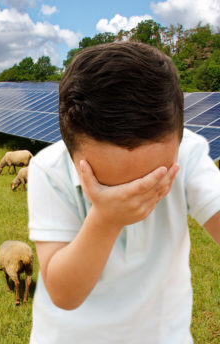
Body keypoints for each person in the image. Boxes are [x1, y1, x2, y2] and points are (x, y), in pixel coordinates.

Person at [27, 41, 220, 344]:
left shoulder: (190, 153)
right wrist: (106, 218)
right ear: (70, 149)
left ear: (179, 140)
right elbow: (63, 293)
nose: (135, 193)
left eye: (154, 179)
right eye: (111, 184)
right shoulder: (48, 170)